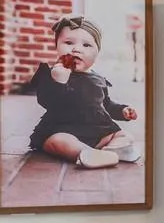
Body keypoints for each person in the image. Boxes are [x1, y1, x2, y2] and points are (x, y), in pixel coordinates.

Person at [27, 15, 141, 169]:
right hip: (63, 129)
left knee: (124, 135)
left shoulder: (98, 79)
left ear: (97, 52)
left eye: (86, 45)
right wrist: (59, 82)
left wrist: (122, 111)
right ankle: (86, 153)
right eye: (68, 43)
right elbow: (46, 100)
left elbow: (105, 104)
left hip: (97, 132)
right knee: (58, 141)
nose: (76, 49)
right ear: (57, 46)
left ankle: (111, 150)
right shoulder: (53, 73)